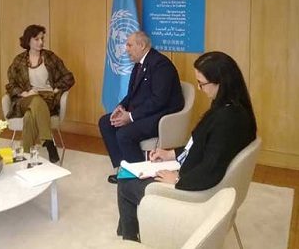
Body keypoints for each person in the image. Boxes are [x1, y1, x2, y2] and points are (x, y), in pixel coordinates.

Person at [117, 51, 257, 241]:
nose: (200, 88)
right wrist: (171, 154)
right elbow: (201, 146)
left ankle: (131, 240)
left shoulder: (227, 120)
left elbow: (211, 169)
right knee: (128, 174)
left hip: (195, 187)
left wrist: (177, 180)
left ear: (220, 83)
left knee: (125, 182)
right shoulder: (232, 109)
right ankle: (135, 232)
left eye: (202, 83)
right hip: (192, 173)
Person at [99, 31, 183, 184]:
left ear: (142, 45)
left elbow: (159, 100)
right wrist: (121, 107)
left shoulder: (160, 64)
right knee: (106, 122)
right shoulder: (139, 64)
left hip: (162, 116)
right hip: (146, 111)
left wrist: (130, 117)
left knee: (125, 134)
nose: (126, 49)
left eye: (129, 45)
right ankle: (124, 168)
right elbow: (132, 94)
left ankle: (140, 175)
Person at [5, 24, 74, 163]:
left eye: (42, 38)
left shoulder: (50, 57)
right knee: (34, 100)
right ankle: (49, 143)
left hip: (47, 100)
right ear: (28, 41)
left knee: (30, 116)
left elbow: (69, 77)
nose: (41, 42)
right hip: (25, 99)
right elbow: (11, 84)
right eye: (36, 39)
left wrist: (56, 88)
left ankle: (25, 156)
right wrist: (23, 93)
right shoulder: (18, 61)